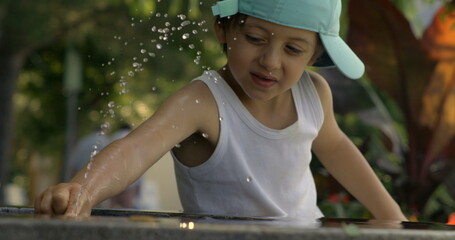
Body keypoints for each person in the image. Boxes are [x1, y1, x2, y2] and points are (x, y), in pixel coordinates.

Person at [35, 0, 407, 221]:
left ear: (315, 56)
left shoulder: (314, 93)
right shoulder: (202, 102)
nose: (270, 60)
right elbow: (136, 148)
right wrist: (82, 188)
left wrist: (394, 219)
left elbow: (339, 151)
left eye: (293, 50)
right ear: (224, 29)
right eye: (255, 39)